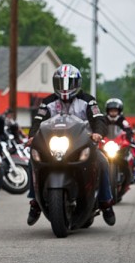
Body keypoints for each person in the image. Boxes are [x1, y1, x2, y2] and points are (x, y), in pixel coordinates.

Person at [25, 63, 116, 226]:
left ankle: (105, 202)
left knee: (102, 162)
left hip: (82, 144)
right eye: (61, 83)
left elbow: (99, 120)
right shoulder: (47, 102)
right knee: (33, 161)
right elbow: (37, 121)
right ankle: (35, 202)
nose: (65, 88)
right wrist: (32, 136)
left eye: (69, 83)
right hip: (52, 146)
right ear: (55, 84)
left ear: (78, 83)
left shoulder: (88, 101)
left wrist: (98, 133)